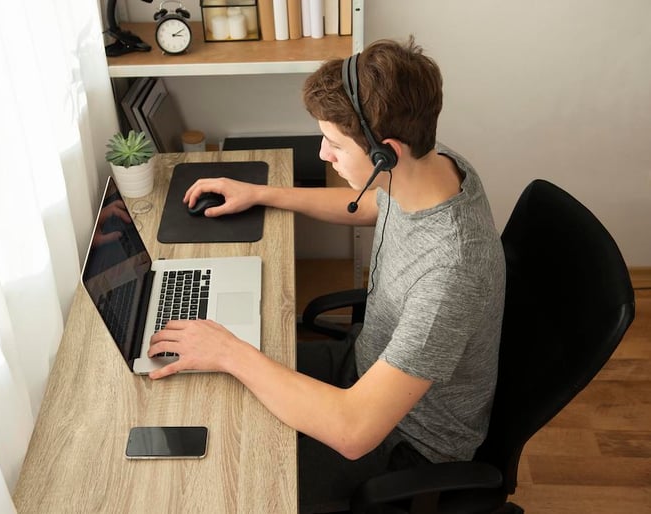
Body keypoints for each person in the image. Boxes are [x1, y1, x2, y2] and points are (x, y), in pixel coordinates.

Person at [148, 36, 506, 513]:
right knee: (214, 392)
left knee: (230, 481)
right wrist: (263, 193)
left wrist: (228, 351)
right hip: (366, 365)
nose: (322, 154)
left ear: (387, 153)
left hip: (403, 441)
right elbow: (373, 204)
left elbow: (354, 432)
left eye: (334, 143)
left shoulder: (450, 276)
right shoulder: (435, 167)